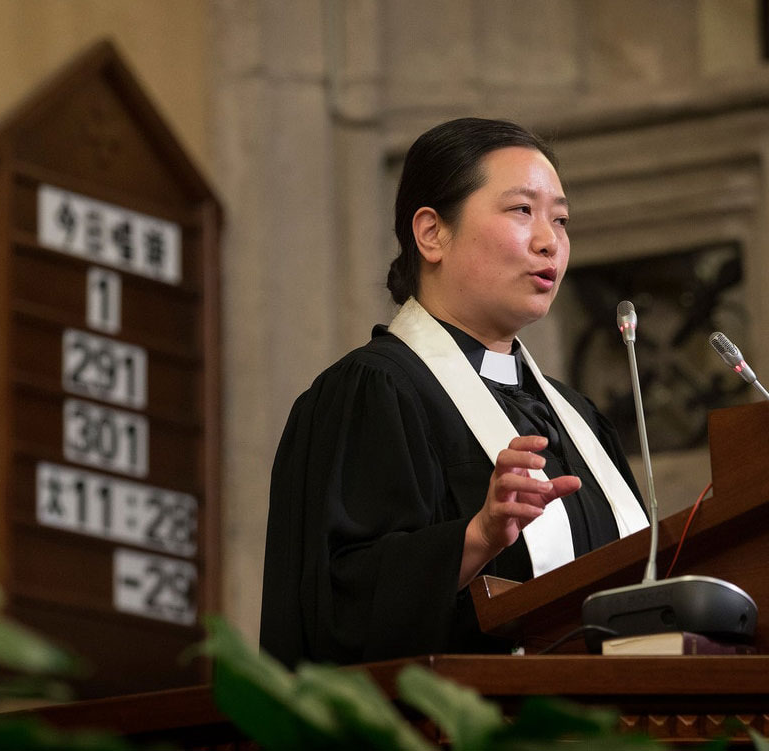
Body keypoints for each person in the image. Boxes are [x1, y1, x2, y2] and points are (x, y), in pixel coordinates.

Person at [260, 118, 649, 668]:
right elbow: (334, 611)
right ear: (431, 233)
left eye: (560, 219)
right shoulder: (373, 393)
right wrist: (477, 536)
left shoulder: (577, 419)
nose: (549, 241)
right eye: (522, 211)